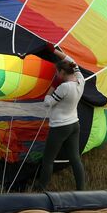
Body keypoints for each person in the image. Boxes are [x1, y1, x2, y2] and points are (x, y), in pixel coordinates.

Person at [39, 46, 86, 190]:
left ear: (63, 72)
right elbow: (71, 61)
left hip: (60, 127)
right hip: (74, 124)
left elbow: (47, 103)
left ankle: (41, 188)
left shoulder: (64, 87)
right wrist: (53, 51)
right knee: (75, 158)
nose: (56, 74)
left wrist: (52, 86)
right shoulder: (80, 80)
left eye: (57, 72)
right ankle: (81, 189)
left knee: (48, 160)